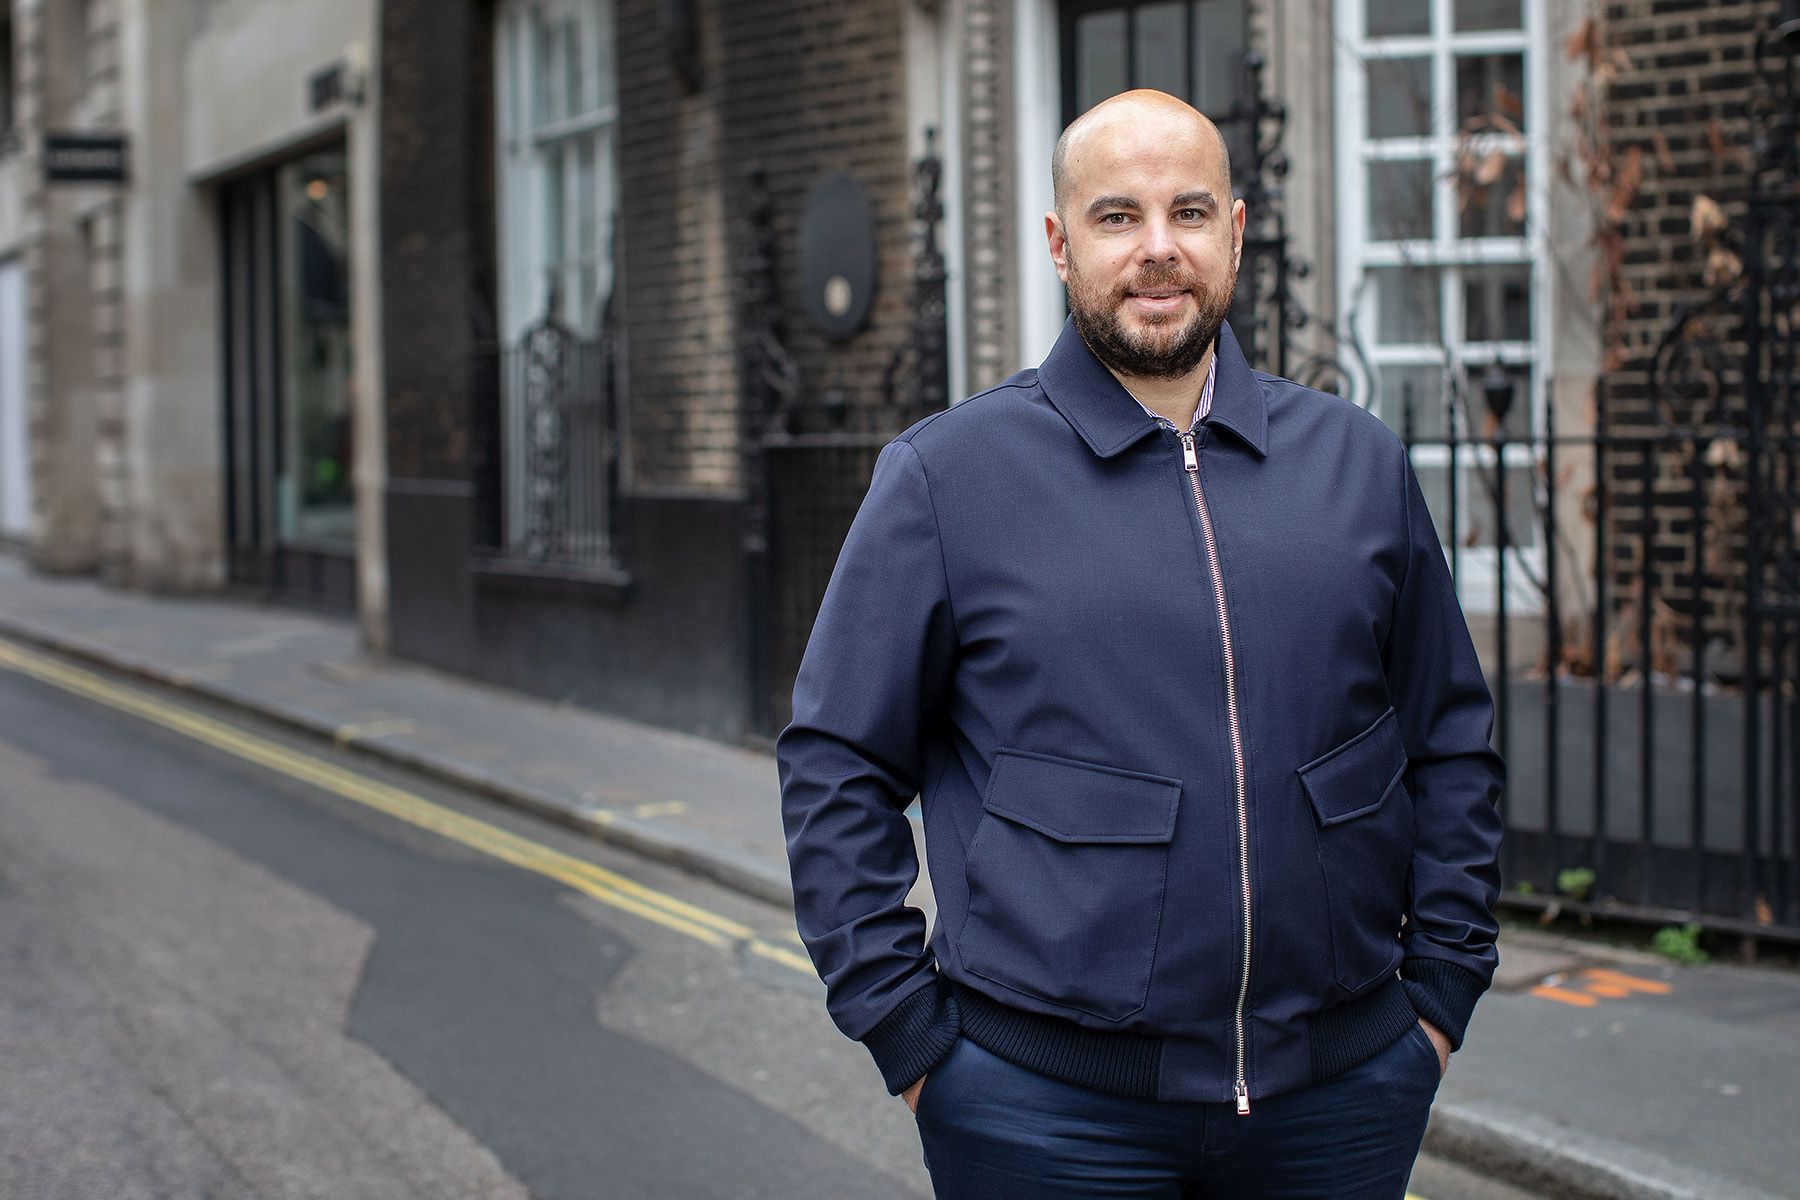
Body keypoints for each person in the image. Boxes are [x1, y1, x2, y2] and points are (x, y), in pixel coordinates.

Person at [777, 89, 1503, 1199]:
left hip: (1341, 1098)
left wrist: (1439, 999)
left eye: (1190, 212)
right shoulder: (946, 478)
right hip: (1045, 1113)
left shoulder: (1356, 464)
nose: (1159, 249)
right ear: (1062, 246)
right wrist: (913, 1043)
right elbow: (836, 762)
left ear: (1238, 234)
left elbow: (1450, 738)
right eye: (1117, 217)